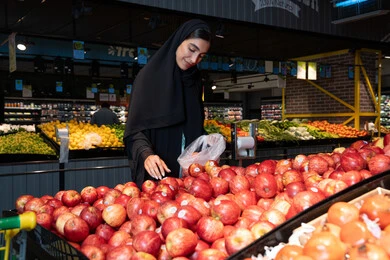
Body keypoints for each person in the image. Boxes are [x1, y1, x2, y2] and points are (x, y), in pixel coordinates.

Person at [124, 19, 212, 187]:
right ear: (179, 41)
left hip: (191, 177)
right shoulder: (148, 78)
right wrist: (146, 154)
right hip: (159, 174)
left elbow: (194, 125)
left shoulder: (194, 81)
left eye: (201, 56)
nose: (194, 59)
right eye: (192, 49)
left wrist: (207, 144)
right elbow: (135, 130)